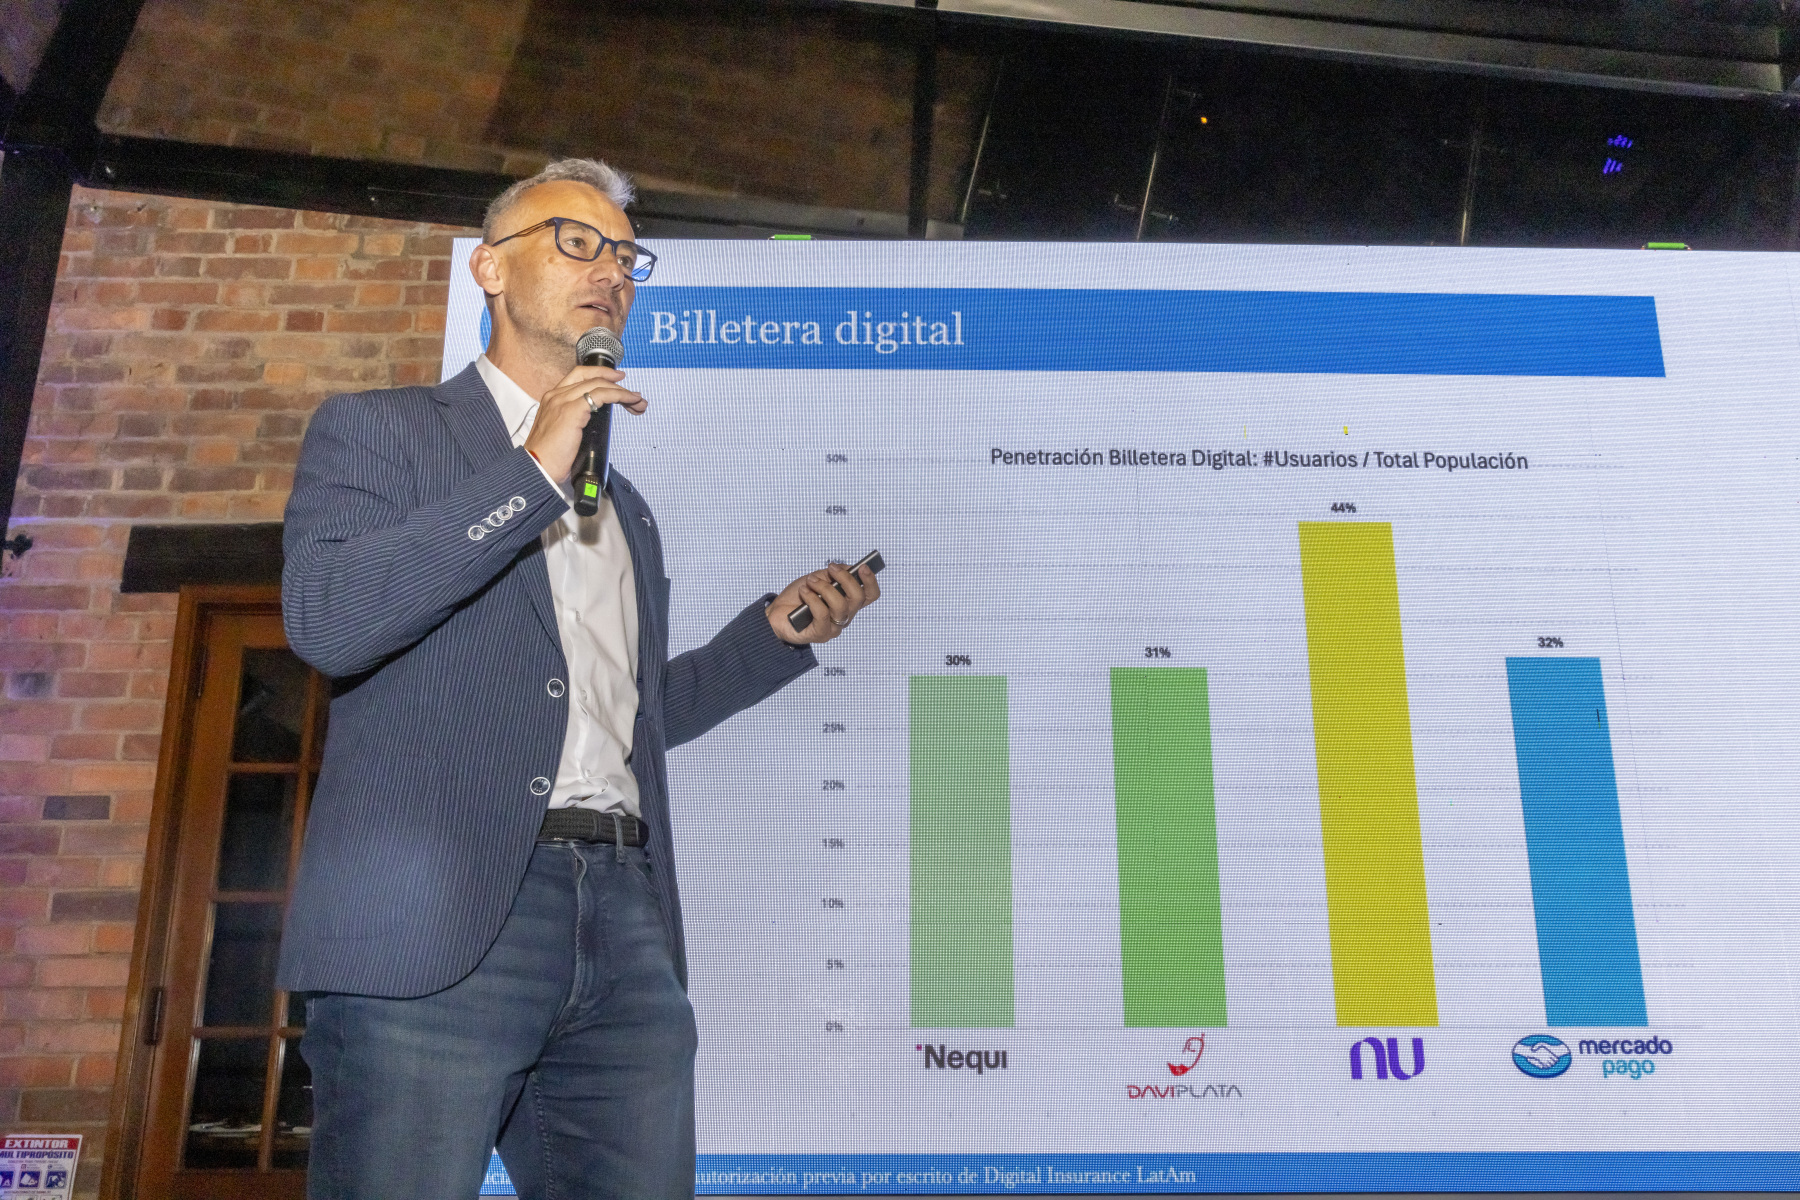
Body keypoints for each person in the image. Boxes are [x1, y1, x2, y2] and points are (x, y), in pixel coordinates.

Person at [276, 157, 879, 1200]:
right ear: (489, 269)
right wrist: (530, 475)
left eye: (627, 258)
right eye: (577, 243)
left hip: (624, 920)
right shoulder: (380, 431)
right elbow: (331, 620)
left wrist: (772, 637)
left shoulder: (625, 506)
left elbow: (625, 718)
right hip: (436, 921)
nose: (610, 272)